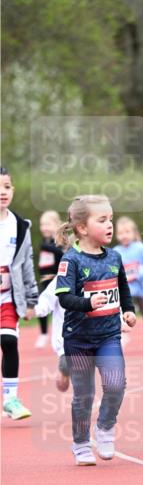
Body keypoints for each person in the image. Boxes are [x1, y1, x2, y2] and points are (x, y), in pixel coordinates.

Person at [55, 195, 136, 464]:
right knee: (84, 395)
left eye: (111, 219)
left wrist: (129, 310)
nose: (110, 225)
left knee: (116, 383)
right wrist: (87, 302)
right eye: (102, 220)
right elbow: (64, 298)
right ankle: (80, 444)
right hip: (77, 340)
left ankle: (104, 427)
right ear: (82, 228)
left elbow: (123, 287)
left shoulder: (114, 256)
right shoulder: (72, 260)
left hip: (108, 335)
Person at [0, 166, 38, 420]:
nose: (3, 192)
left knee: (9, 341)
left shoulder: (20, 226)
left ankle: (10, 399)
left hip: (7, 298)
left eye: (6, 186)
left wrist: (32, 299)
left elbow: (26, 264)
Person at [114, 216, 143, 348]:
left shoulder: (141, 248)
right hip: (125, 289)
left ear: (133, 233)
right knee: (120, 310)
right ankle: (122, 335)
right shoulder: (116, 251)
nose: (124, 236)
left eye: (127, 232)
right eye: (121, 233)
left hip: (140, 287)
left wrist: (142, 273)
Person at [34, 276, 69, 392]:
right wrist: (35, 309)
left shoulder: (96, 274)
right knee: (66, 365)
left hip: (90, 335)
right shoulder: (63, 277)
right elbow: (47, 299)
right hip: (66, 339)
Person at [35, 209, 63, 349]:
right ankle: (43, 333)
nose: (44, 227)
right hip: (44, 280)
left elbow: (61, 255)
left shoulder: (58, 242)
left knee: (60, 309)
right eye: (42, 224)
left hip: (57, 281)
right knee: (40, 304)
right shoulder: (44, 242)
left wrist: (46, 246)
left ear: (57, 225)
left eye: (48, 224)